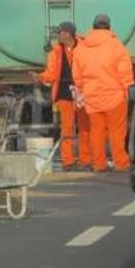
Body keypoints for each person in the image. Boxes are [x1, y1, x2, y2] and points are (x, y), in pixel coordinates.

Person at [71, 13, 135, 173]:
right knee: (117, 132)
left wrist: (83, 89)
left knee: (96, 131)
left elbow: (77, 76)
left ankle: (99, 163)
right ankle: (120, 162)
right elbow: (125, 72)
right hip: (114, 97)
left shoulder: (81, 48)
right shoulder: (116, 45)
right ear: (108, 26)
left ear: (93, 27)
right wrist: (128, 90)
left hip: (92, 97)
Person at [31, 21, 92, 170]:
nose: (58, 35)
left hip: (83, 93)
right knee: (67, 128)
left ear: (68, 33)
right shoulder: (55, 53)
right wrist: (39, 77)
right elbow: (51, 73)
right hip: (64, 93)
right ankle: (68, 161)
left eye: (60, 32)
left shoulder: (85, 48)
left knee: (85, 128)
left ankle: (86, 159)